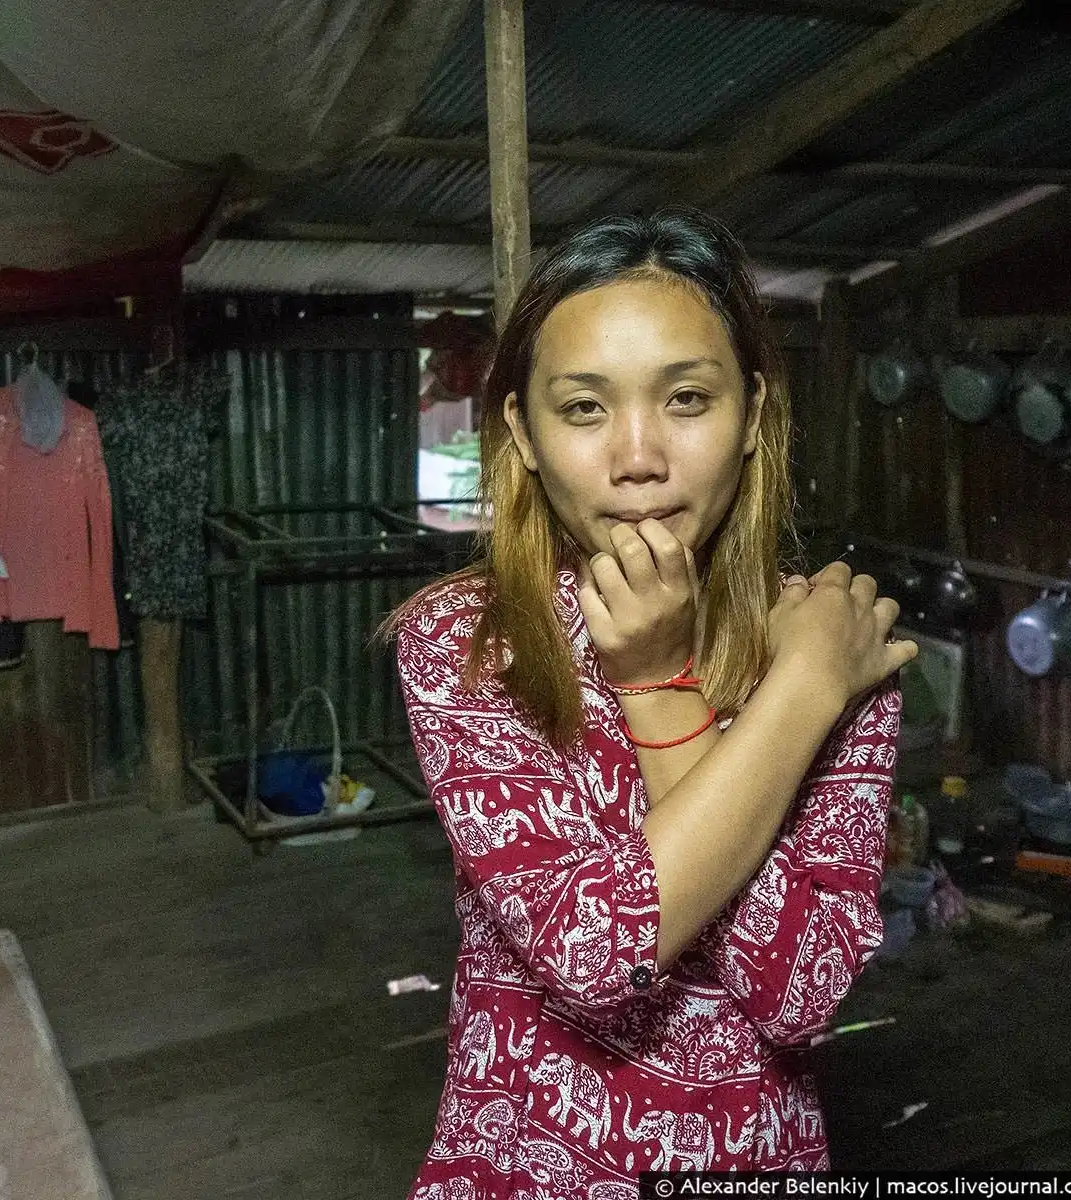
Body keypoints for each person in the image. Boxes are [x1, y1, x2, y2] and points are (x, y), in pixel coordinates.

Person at [390, 208, 917, 1193]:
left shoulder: (832, 646)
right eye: (584, 409)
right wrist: (720, 688)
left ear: (752, 414)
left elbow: (804, 997)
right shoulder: (472, 645)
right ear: (524, 433)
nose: (638, 456)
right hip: (526, 1166)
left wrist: (799, 676)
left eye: (686, 398)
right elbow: (597, 960)